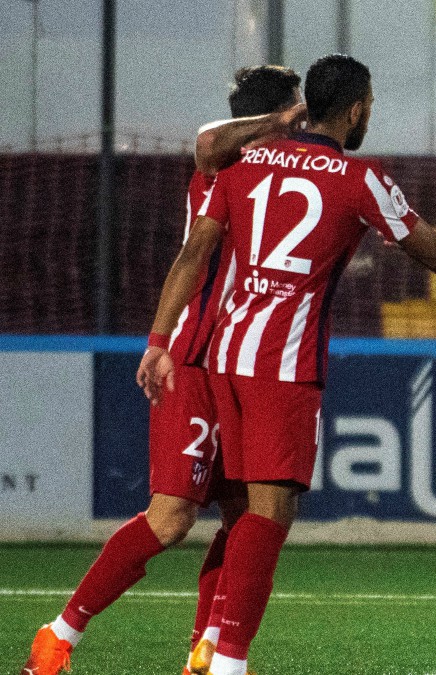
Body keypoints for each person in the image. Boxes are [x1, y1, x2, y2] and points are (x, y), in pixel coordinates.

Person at [131, 54, 436, 675]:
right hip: (283, 364)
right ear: (356, 108)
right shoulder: (359, 177)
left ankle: (206, 654)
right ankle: (228, 663)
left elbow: (192, 255)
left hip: (221, 356)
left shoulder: (245, 162)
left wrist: (159, 340)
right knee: (267, 519)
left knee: (239, 514)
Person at [20, 64, 307, 675]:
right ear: (272, 116)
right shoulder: (219, 164)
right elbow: (208, 142)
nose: (301, 120)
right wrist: (159, 341)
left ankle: (205, 653)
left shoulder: (278, 174)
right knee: (172, 517)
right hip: (194, 359)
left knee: (247, 512)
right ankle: (59, 635)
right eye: (295, 111)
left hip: (245, 361)